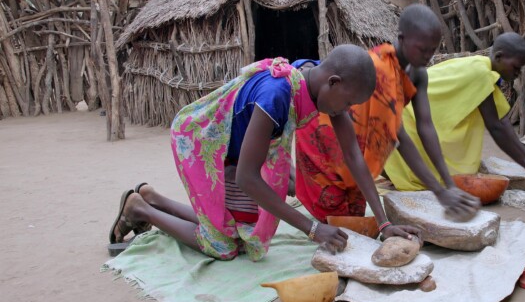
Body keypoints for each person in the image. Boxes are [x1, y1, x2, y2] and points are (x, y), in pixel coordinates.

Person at [108, 45, 419, 260]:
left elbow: (353, 156)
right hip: (203, 141)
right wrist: (312, 228)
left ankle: (153, 197)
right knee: (223, 246)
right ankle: (141, 210)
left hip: (236, 148)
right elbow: (247, 177)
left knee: (242, 232)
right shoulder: (276, 96)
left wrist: (382, 223)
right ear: (333, 83)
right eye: (348, 103)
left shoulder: (316, 78)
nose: (347, 111)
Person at [294, 4, 480, 223]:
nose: (428, 56)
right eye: (422, 49)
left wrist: (448, 184)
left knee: (354, 220)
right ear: (402, 39)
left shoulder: (419, 75)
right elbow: (400, 138)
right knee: (336, 221)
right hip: (327, 140)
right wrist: (439, 192)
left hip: (352, 147)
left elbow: (426, 127)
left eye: (433, 50)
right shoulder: (379, 69)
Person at [383, 32, 525, 190]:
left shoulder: (480, 68)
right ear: (499, 56)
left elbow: (501, 122)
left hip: (404, 112)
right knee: (418, 176)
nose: (517, 73)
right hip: (407, 116)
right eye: (515, 67)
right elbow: (496, 126)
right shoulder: (481, 74)